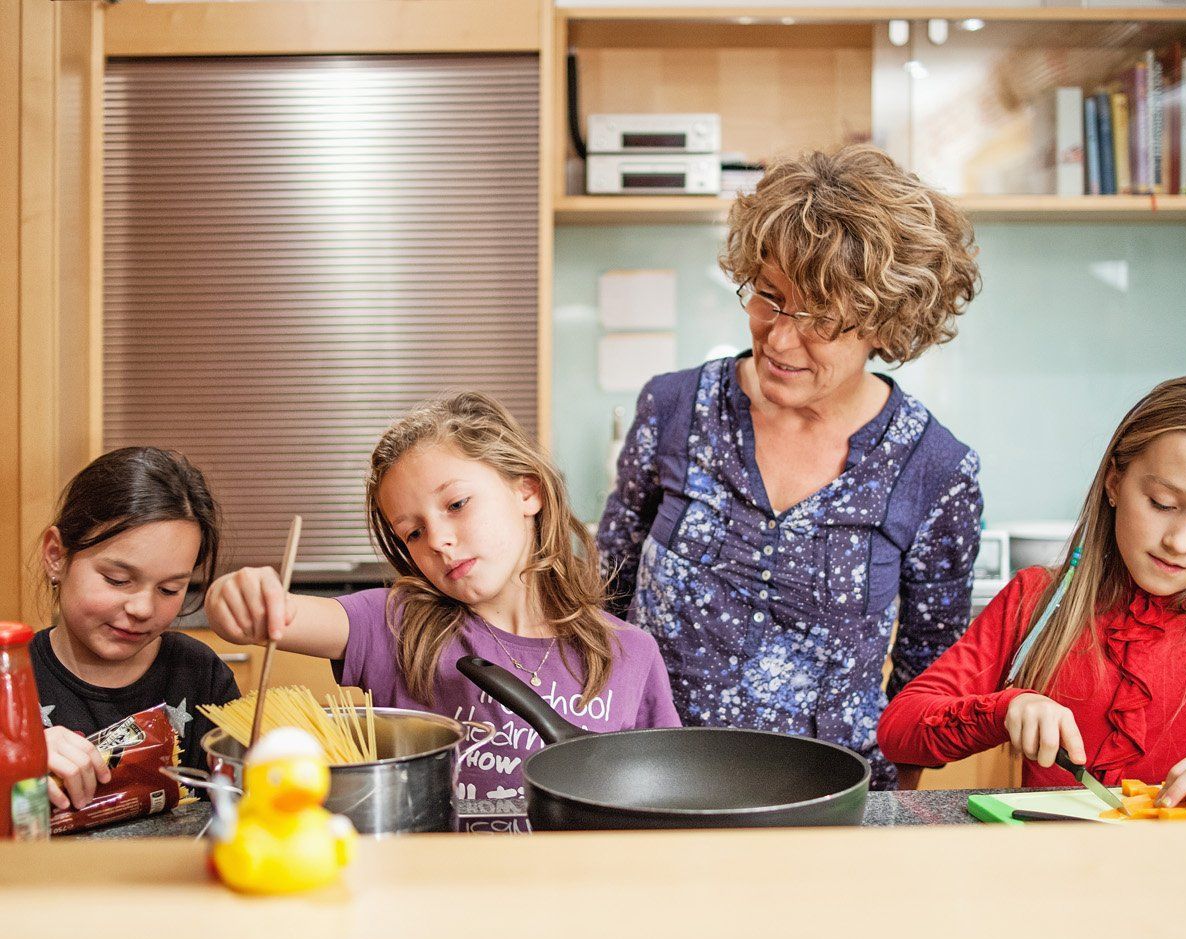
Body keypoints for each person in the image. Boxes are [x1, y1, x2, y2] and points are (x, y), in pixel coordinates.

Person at [596, 143, 983, 788]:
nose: (778, 337)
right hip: (654, 781)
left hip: (829, 803)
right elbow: (607, 592)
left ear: (887, 324)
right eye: (769, 298)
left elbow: (925, 688)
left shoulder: (935, 471)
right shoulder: (671, 408)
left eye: (820, 318)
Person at [206, 392, 680, 802]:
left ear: (526, 491)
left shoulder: (629, 652)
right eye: (412, 533)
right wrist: (237, 597)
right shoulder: (397, 625)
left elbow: (665, 797)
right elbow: (282, 616)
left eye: (456, 505)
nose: (437, 540)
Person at [878, 376, 1186, 815]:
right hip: (1053, 870)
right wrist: (1004, 709)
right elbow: (899, 729)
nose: (1180, 542)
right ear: (1115, 480)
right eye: (1163, 503)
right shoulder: (1035, 599)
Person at [34, 446, 237, 810]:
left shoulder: (200, 676)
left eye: (169, 589)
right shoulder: (11, 680)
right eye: (117, 580)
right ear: (56, 556)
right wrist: (15, 759)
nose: (143, 609)